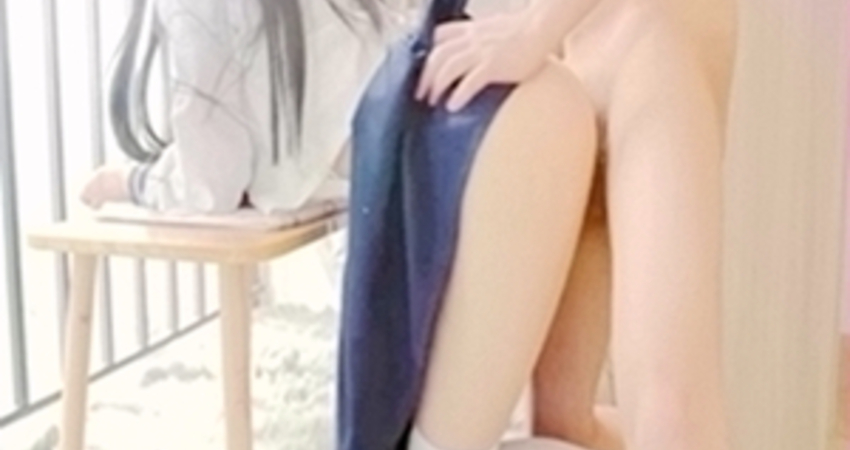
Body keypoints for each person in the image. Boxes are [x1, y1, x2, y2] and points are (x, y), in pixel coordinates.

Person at [400, 0, 735, 449]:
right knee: (563, 425)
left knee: (670, 417)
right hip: (563, 51)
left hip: (656, 35)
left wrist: (532, 32)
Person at [79, 0, 397, 214]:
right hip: (406, 165)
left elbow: (210, 186)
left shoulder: (197, 9)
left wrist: (132, 183)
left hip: (384, 205)